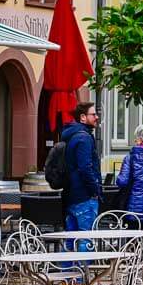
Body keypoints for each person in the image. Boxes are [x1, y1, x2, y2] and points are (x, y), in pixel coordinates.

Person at [60, 103, 103, 241]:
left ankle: (67, 263)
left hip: (71, 194)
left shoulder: (72, 135)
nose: (96, 117)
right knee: (86, 239)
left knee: (70, 240)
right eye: (93, 114)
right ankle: (85, 264)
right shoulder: (84, 138)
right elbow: (85, 168)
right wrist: (94, 190)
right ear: (83, 117)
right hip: (84, 196)